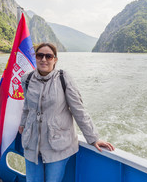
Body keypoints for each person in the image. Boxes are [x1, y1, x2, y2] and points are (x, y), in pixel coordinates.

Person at [18, 42, 114, 182]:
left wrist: (93, 138)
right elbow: (27, 106)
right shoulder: (27, 79)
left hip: (57, 145)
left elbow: (79, 110)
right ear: (35, 58)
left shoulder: (63, 78)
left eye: (49, 56)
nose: (44, 59)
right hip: (31, 143)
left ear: (55, 60)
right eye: (40, 55)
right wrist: (22, 124)